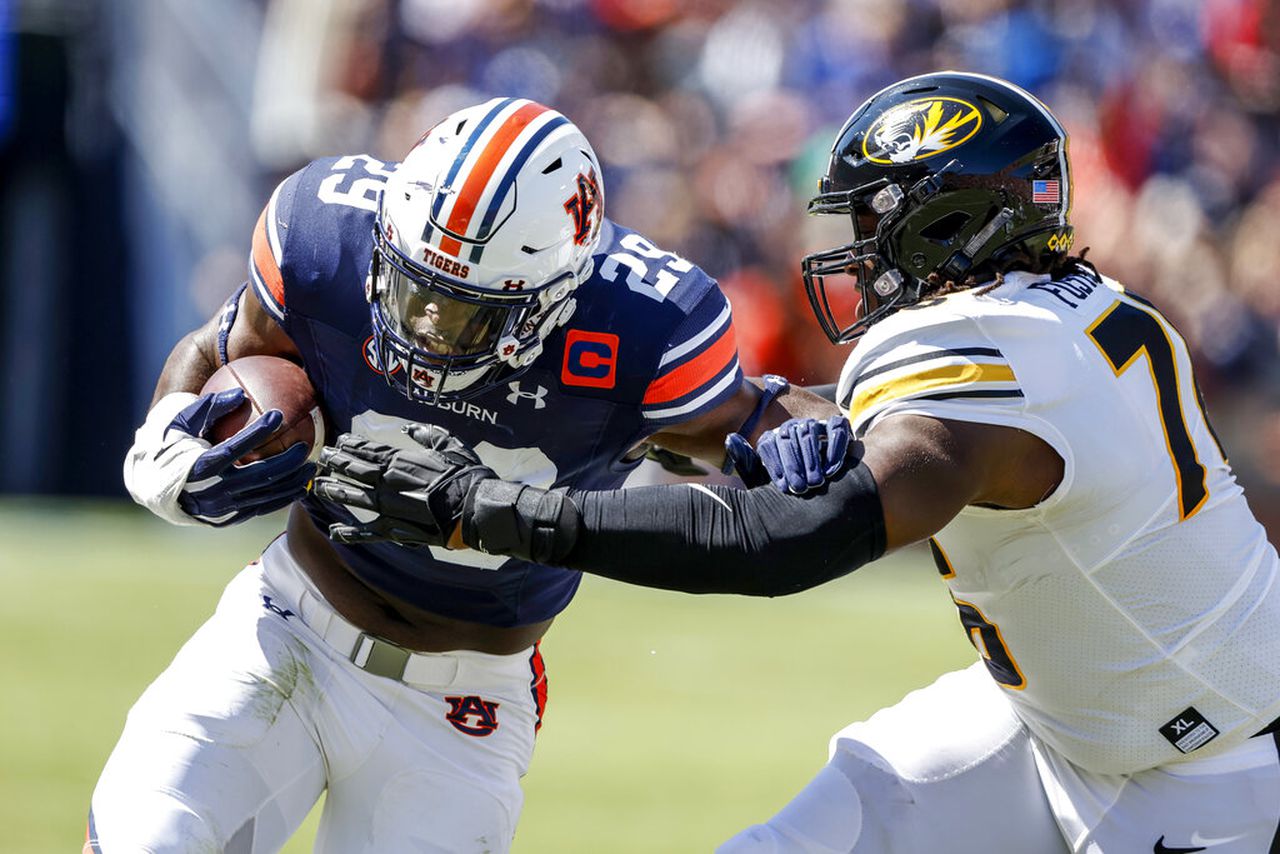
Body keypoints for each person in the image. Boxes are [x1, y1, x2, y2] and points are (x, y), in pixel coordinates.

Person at [314, 73, 1280, 852]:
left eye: (871, 226)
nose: (852, 256)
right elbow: (926, 451)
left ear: (946, 226)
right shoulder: (1072, 309)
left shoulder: (996, 356)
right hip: (1064, 716)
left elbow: (791, 539)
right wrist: (783, 437)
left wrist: (496, 511)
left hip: (1206, 772)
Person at [91, 98, 831, 853]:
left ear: (553, 294)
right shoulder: (325, 231)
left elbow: (751, 415)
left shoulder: (644, 323)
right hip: (285, 626)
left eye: (464, 311)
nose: (426, 328)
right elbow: (223, 346)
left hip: (464, 702)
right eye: (415, 289)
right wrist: (165, 442)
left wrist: (807, 434)